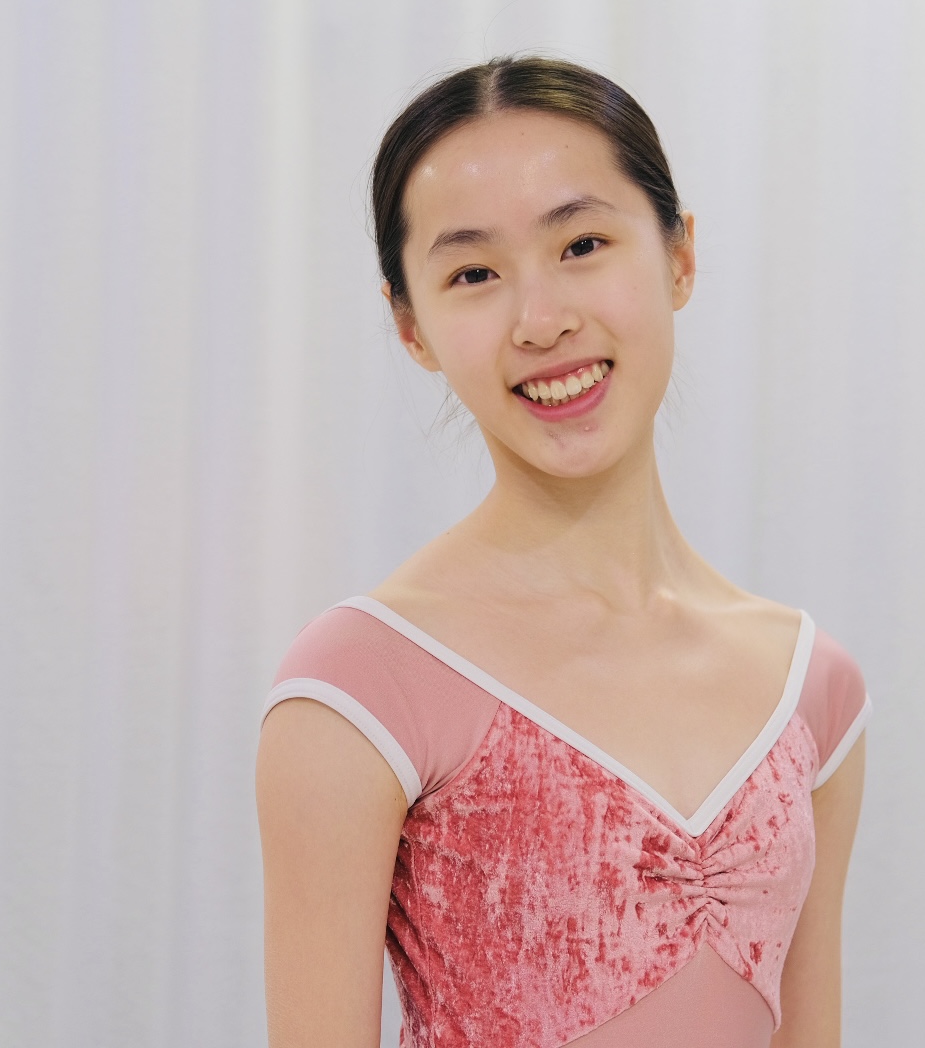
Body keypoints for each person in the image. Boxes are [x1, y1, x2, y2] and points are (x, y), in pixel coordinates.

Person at [255, 56, 871, 1048]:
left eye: (582, 244)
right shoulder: (362, 684)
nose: (542, 321)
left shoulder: (812, 689)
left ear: (680, 257)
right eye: (474, 274)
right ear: (412, 327)